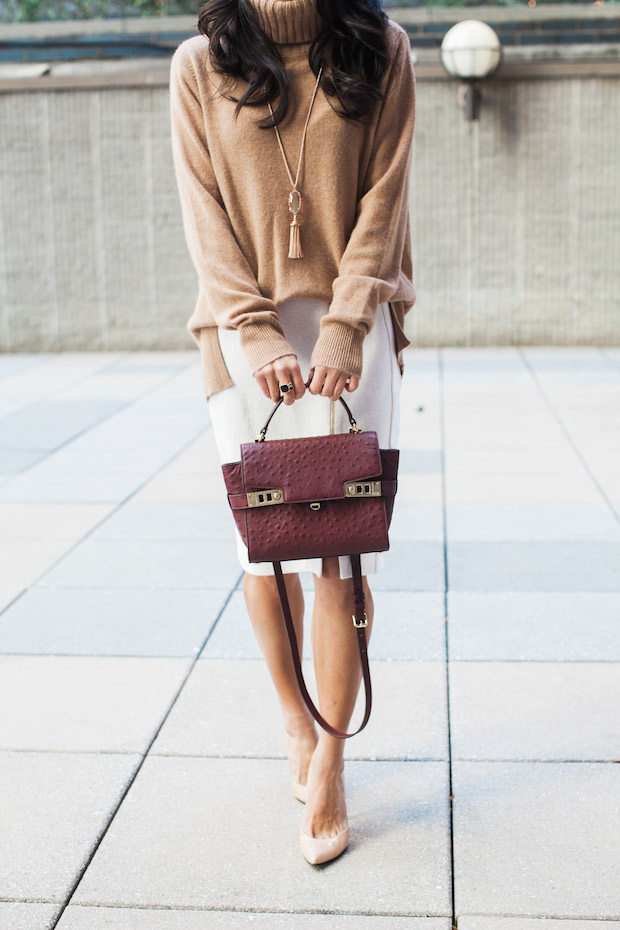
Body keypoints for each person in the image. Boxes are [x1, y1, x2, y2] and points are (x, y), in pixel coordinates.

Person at [170, 0, 415, 865]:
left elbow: (383, 201)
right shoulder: (200, 64)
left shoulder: (381, 48)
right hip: (244, 341)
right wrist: (256, 327)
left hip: (353, 333)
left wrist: (346, 327)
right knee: (264, 548)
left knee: (342, 554)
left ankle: (335, 761)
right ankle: (292, 714)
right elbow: (204, 214)